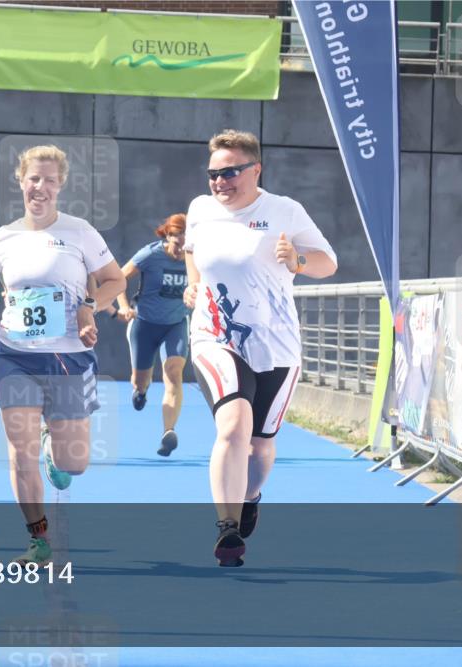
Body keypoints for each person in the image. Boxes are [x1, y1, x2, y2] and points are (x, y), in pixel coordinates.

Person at [0, 145, 125, 565]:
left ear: (61, 185)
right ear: (21, 181)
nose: (41, 187)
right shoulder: (5, 236)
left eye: (50, 180)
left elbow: (115, 280)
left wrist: (90, 304)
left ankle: (56, 448)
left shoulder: (80, 231)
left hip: (69, 357)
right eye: (34, 178)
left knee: (75, 463)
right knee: (19, 449)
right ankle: (37, 539)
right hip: (17, 354)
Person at [183, 130, 337, 567]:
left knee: (260, 444)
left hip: (276, 345)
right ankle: (226, 527)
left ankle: (250, 496)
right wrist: (194, 286)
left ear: (256, 170)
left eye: (230, 172)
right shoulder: (200, 209)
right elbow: (192, 249)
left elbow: (328, 263)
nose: (220, 182)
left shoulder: (284, 210)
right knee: (232, 425)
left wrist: (299, 261)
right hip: (215, 336)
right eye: (213, 174)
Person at [115, 213, 190, 457]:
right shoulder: (150, 255)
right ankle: (141, 391)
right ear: (167, 236)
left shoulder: (196, 258)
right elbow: (118, 278)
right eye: (176, 238)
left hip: (175, 325)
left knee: (174, 373)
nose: (181, 244)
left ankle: (169, 431)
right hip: (144, 325)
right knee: (140, 380)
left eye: (186, 238)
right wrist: (124, 307)